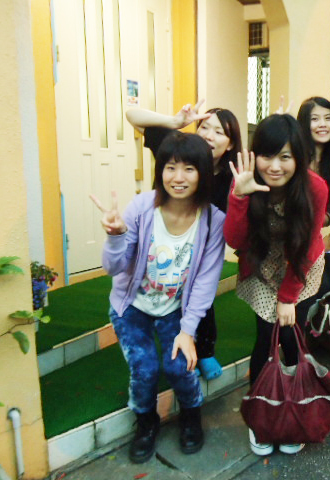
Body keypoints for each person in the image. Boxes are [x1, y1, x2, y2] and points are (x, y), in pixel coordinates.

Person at [90, 132, 226, 463]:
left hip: (174, 308)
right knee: (145, 367)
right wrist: (115, 236)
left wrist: (188, 330)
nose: (178, 177)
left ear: (203, 173)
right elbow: (113, 267)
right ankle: (146, 422)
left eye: (189, 168)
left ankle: (191, 414)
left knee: (179, 366)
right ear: (160, 170)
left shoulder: (213, 221)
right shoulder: (142, 207)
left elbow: (206, 282)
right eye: (170, 167)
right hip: (131, 306)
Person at [223, 114, 328, 456]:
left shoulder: (314, 187)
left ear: (298, 157)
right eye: (267, 156)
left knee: (291, 336)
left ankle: (296, 408)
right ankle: (262, 416)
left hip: (300, 265)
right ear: (255, 155)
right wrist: (239, 197)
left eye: (285, 156)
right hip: (262, 265)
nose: (275, 166)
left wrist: (288, 297)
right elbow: (235, 240)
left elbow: (307, 245)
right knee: (266, 338)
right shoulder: (245, 180)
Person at [127, 102, 243, 380]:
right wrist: (175, 121)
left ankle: (205, 350)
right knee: (155, 290)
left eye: (219, 132)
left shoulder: (233, 177)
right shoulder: (176, 147)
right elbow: (132, 115)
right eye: (204, 127)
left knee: (200, 292)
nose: (209, 136)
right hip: (163, 238)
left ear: (230, 144)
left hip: (200, 247)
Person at [297, 97, 330, 295]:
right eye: (314, 119)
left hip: (314, 249)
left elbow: (329, 213)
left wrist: (313, 219)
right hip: (285, 246)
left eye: (328, 118)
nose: (322, 124)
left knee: (309, 303)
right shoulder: (293, 159)